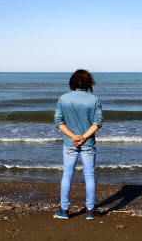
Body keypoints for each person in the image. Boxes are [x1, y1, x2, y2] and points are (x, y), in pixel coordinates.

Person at [53, 69, 103, 220]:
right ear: (88, 82)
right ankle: (90, 210)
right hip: (88, 143)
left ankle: (64, 209)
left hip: (70, 143)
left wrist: (74, 136)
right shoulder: (94, 99)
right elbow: (97, 123)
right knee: (89, 176)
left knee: (67, 175)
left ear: (72, 82)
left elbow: (58, 122)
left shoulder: (63, 98)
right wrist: (83, 137)